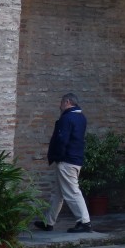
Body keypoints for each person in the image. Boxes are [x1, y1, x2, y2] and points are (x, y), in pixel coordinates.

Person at [34, 92, 93, 233]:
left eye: (61, 103)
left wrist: (58, 156)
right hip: (74, 159)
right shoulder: (81, 118)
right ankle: (48, 222)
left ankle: (84, 222)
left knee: (72, 192)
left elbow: (62, 139)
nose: (59, 106)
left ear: (67, 102)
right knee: (58, 194)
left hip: (67, 160)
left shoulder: (67, 118)